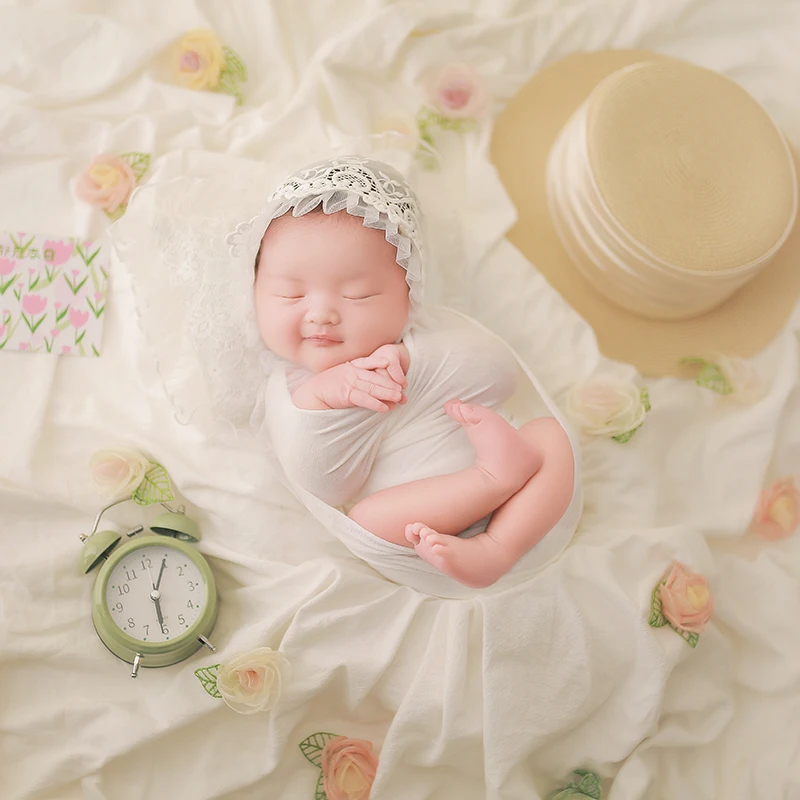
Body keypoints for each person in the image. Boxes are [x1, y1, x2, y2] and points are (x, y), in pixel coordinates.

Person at [243, 156, 575, 588]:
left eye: (359, 295)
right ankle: (491, 480)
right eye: (290, 294)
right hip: (417, 528)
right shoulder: (288, 389)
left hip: (523, 504)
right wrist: (327, 395)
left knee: (550, 436)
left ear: (410, 296)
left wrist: (413, 364)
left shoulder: (424, 338)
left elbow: (501, 374)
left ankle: (498, 547)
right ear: (254, 296)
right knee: (368, 518)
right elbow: (323, 484)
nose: (321, 314)